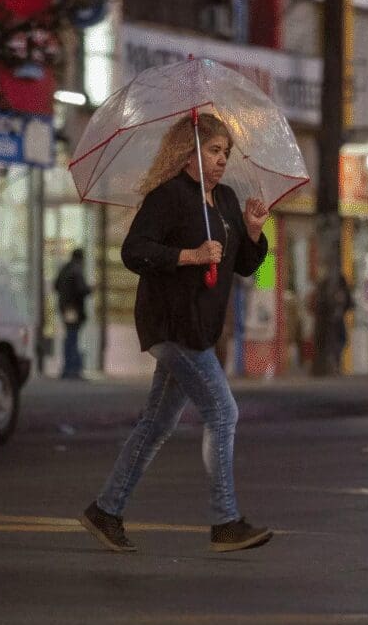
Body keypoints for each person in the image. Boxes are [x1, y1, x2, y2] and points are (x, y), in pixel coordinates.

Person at [81, 113, 273, 553]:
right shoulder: (167, 197)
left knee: (156, 424)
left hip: (199, 328)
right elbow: (134, 251)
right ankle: (225, 521)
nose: (221, 159)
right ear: (189, 153)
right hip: (170, 325)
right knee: (223, 412)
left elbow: (243, 266)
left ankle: (106, 510)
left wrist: (253, 233)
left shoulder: (225, 200)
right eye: (213, 150)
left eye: (225, 152)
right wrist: (189, 255)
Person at [54, 248, 92, 380]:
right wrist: (90, 289)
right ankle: (72, 369)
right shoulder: (76, 270)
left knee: (70, 336)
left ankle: (68, 368)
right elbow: (82, 289)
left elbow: (56, 286)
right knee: (72, 337)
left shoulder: (64, 269)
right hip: (74, 308)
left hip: (65, 307)